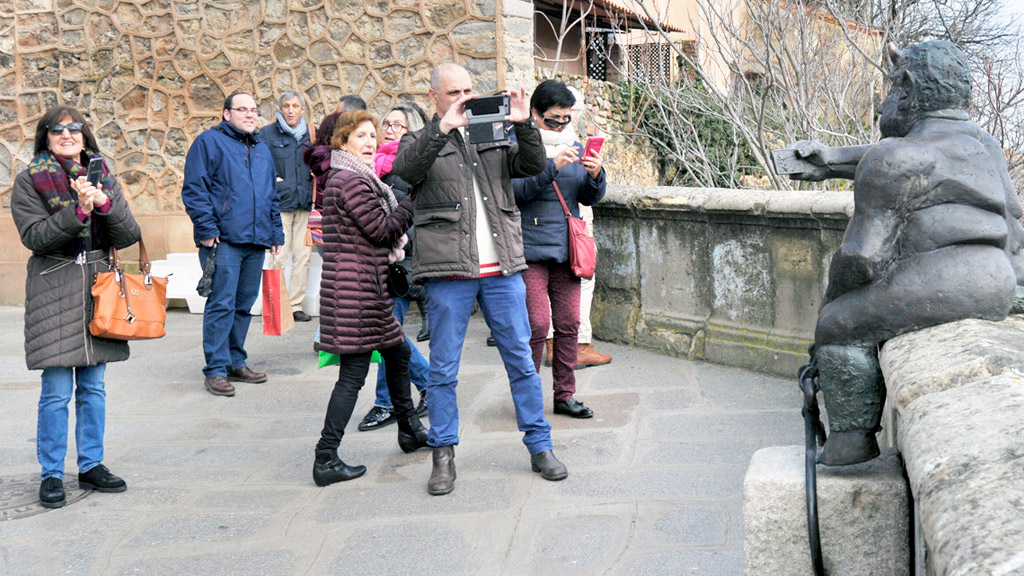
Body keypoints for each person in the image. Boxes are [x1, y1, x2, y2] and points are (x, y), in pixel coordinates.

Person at [787, 41, 1024, 465]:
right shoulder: (984, 145)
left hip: (956, 283)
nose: (884, 100)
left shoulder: (894, 157)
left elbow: (863, 257)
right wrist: (834, 159)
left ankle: (850, 444)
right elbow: (917, 156)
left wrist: (832, 298)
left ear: (908, 88)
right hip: (1006, 274)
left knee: (839, 326)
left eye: (890, 87)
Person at [392, 62, 568, 496]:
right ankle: (443, 455)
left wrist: (524, 123)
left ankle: (540, 446)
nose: (465, 98)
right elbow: (406, 172)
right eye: (455, 92)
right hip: (450, 271)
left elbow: (531, 165)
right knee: (444, 370)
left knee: (522, 363)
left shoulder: (492, 132)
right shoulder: (419, 139)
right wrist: (444, 129)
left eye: (470, 90)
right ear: (434, 96)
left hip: (503, 269)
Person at [11, 106, 142, 508]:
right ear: (45, 137)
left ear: (85, 136)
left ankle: (91, 465)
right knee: (55, 392)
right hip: (55, 287)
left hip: (97, 288)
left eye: (75, 129)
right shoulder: (29, 180)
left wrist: (103, 204)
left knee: (94, 388)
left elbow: (129, 233)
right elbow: (35, 236)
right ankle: (51, 473)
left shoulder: (101, 173)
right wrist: (78, 211)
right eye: (58, 130)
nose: (67, 135)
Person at [313, 110, 428, 487]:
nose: (369, 143)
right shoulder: (350, 182)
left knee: (399, 354)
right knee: (353, 375)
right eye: (360, 136)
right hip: (356, 291)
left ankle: (409, 429)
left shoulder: (352, 179)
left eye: (372, 138)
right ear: (342, 143)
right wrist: (411, 202)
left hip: (364, 287)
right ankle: (325, 457)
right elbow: (381, 230)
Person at [513, 79, 607, 419]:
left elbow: (586, 197)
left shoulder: (575, 145)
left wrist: (596, 176)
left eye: (566, 118)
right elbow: (516, 192)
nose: (561, 125)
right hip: (528, 248)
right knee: (537, 325)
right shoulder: (519, 144)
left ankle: (564, 395)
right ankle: (529, 395)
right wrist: (552, 167)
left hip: (566, 250)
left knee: (568, 323)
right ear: (535, 113)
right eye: (553, 119)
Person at [181, 92, 284, 398]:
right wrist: (206, 227)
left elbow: (270, 195)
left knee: (243, 305)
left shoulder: (262, 148)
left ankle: (235, 361)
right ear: (226, 114)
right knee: (221, 303)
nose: (250, 114)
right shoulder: (208, 143)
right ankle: (215, 369)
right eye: (242, 109)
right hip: (223, 240)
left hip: (256, 239)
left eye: (254, 110)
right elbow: (194, 188)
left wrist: (275, 232)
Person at [357, 102, 432, 432]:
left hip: (401, 260)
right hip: (380, 259)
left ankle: (388, 401)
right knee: (389, 333)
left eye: (397, 125)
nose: (388, 129)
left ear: (413, 131)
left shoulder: (408, 169)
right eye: (385, 123)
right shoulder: (376, 167)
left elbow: (413, 217)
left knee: (388, 333)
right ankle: (425, 388)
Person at [263, 91, 315, 322]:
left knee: (303, 257)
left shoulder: (312, 135)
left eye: (295, 106)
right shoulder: (266, 134)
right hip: (279, 204)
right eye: (286, 106)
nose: (291, 110)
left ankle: (294, 305)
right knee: (278, 256)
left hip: (305, 203)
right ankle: (275, 306)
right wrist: (275, 180)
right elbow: (260, 164)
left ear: (302, 109)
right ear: (281, 109)